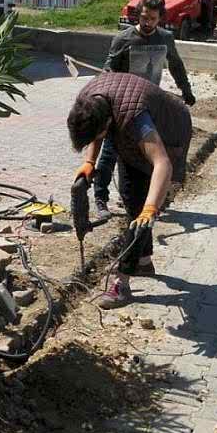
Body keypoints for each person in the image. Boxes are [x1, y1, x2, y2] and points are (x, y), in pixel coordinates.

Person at [68, 72, 192, 308]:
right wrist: (89, 162)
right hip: (130, 139)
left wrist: (151, 208)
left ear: (107, 124)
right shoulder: (89, 101)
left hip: (169, 131)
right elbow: (97, 131)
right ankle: (143, 261)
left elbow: (162, 163)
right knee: (131, 198)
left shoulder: (136, 119)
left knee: (140, 215)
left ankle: (121, 284)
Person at [94, 0, 195, 221]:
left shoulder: (165, 39)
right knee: (110, 151)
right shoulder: (124, 39)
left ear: (160, 18)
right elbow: (109, 68)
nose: (146, 22)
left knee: (146, 154)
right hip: (122, 104)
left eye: (151, 18)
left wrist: (186, 89)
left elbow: (176, 65)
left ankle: (140, 198)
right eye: (143, 17)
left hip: (149, 105)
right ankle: (101, 199)